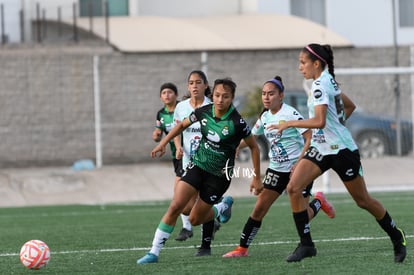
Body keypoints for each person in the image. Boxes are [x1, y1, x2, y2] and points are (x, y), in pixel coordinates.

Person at [269, 43, 406, 263]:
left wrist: (290, 123)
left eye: (302, 62)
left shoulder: (320, 85)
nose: (299, 67)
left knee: (363, 201)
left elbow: (320, 121)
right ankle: (306, 246)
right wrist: (337, 126)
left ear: (316, 63)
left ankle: (396, 236)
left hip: (342, 151)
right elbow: (349, 106)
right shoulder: (326, 81)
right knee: (294, 187)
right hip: (322, 149)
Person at [137, 78, 263, 264]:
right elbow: (180, 125)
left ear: (232, 98)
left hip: (219, 177)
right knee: (176, 206)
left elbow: (254, 148)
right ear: (213, 95)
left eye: (225, 96)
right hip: (197, 166)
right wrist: (163, 143)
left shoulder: (237, 122)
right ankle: (153, 253)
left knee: (195, 219)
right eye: (218, 95)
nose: (220, 100)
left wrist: (256, 178)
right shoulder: (204, 111)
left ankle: (221, 207)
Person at [223, 76, 335, 258]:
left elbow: (309, 137)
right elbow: (252, 137)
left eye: (271, 94)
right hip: (276, 170)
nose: (266, 97)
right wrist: (234, 147)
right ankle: (242, 249)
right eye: (264, 94)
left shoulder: (290, 114)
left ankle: (319, 202)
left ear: (281, 96)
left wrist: (300, 162)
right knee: (259, 208)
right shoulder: (265, 117)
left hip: (298, 170)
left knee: (303, 216)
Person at [172, 70, 212, 242]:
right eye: (191, 83)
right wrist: (178, 146)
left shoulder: (212, 106)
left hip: (209, 163)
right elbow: (176, 131)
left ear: (205, 85)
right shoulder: (181, 107)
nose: (194, 86)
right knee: (184, 207)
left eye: (198, 82)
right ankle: (220, 209)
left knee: (202, 204)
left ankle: (205, 246)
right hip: (188, 162)